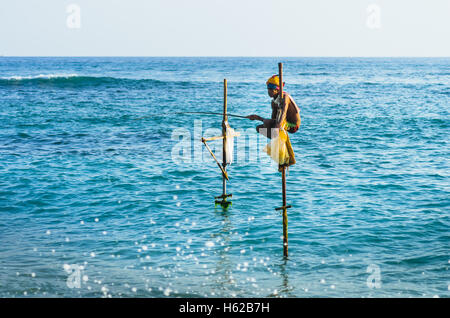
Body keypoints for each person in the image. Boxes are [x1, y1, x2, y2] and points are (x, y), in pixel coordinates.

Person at [247, 75, 301, 139]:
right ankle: (276, 139)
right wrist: (257, 118)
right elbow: (273, 120)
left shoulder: (285, 97)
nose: (269, 91)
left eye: (271, 89)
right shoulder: (273, 102)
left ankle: (278, 137)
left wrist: (277, 126)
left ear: (277, 90)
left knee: (267, 122)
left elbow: (284, 112)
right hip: (282, 123)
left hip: (293, 126)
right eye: (268, 89)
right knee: (259, 128)